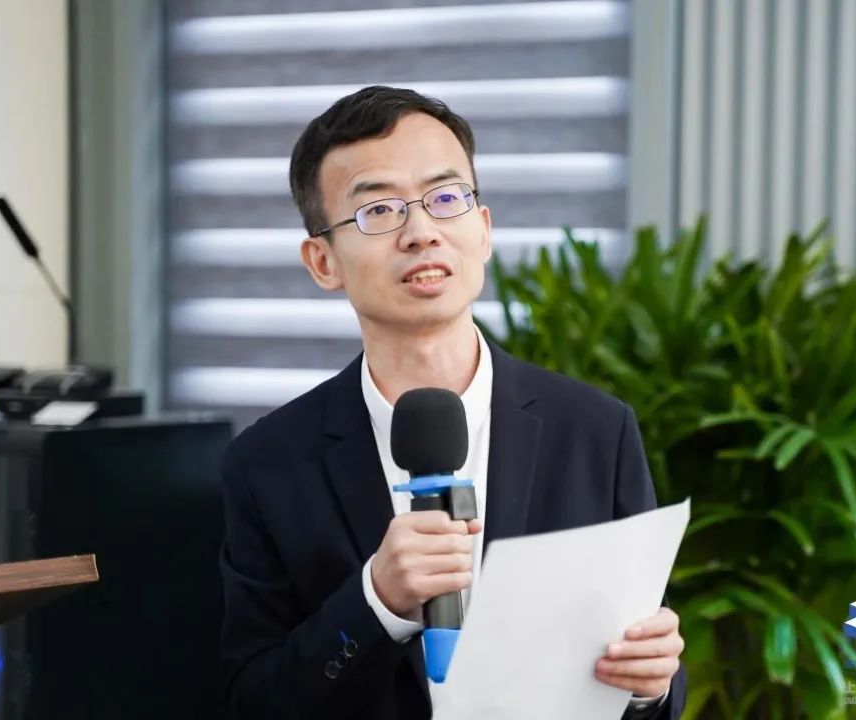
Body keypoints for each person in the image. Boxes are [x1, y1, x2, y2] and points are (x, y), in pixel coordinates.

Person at [218, 85, 686, 719]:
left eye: (445, 199)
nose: (421, 233)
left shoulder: (596, 432)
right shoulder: (268, 465)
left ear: (483, 229)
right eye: (378, 210)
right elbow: (251, 702)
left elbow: (651, 672)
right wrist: (377, 602)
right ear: (322, 261)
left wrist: (649, 684)